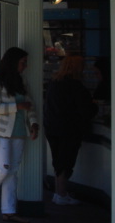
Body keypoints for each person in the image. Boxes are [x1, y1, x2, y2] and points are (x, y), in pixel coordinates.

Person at [0, 47, 38, 223]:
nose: (25, 66)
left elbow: (30, 104)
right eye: (22, 62)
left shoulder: (21, 80)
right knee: (3, 168)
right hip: (0, 131)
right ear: (13, 62)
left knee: (12, 171)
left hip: (19, 131)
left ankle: (8, 210)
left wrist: (33, 123)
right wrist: (17, 107)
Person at [44, 55, 98, 205]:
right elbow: (86, 110)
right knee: (66, 161)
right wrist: (95, 105)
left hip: (52, 127)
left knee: (58, 161)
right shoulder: (76, 86)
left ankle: (58, 192)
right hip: (69, 129)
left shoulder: (54, 83)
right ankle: (61, 193)